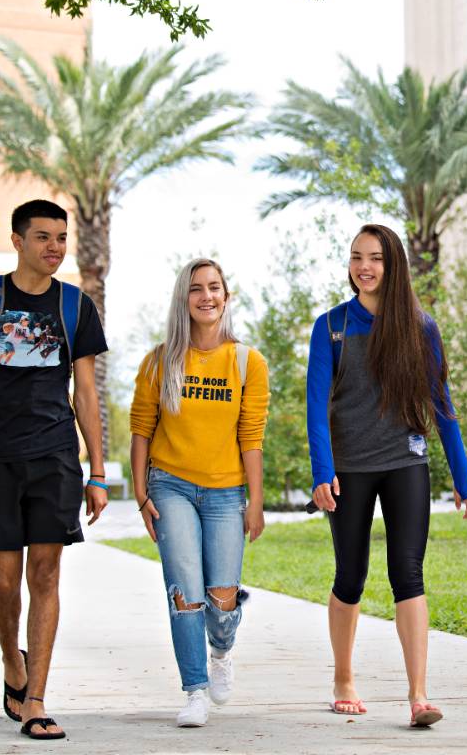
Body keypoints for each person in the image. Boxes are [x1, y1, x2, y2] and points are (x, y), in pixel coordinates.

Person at [0, 199, 109, 741]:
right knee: (2, 581)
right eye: (43, 237)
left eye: (61, 238)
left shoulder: (75, 306)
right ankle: (11, 664)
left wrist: (98, 471)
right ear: (17, 241)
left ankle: (35, 696)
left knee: (45, 573)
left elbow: (85, 393)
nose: (55, 248)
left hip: (56, 457)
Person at [307, 223, 467, 728]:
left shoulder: (421, 327)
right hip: (350, 468)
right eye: (357, 257)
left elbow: (441, 405)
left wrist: (463, 479)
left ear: (393, 264)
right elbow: (317, 408)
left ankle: (419, 695)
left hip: (406, 460)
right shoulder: (332, 326)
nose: (365, 267)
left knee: (408, 572)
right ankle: (343, 678)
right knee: (351, 574)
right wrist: (322, 472)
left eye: (375, 257)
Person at [129, 258, 269, 728]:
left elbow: (251, 437)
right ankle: (194, 690)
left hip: (227, 492)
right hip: (170, 486)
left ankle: (221, 652)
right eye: (196, 289)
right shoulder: (159, 360)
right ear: (183, 299)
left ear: (226, 296)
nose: (206, 296)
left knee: (221, 596)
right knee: (185, 592)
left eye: (214, 288)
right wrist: (141, 494)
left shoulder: (248, 362)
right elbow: (141, 431)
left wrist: (256, 502)